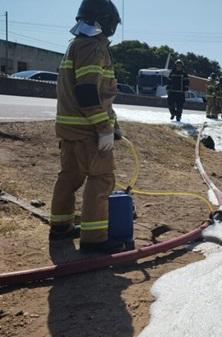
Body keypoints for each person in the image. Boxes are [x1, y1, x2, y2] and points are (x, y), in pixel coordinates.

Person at [50, 0, 126, 254]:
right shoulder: (93, 48)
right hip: (88, 131)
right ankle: (95, 239)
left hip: (70, 130)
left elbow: (99, 94)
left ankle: (60, 228)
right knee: (101, 180)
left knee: (69, 178)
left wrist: (113, 125)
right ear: (105, 22)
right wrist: (103, 128)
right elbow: (87, 93)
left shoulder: (75, 45)